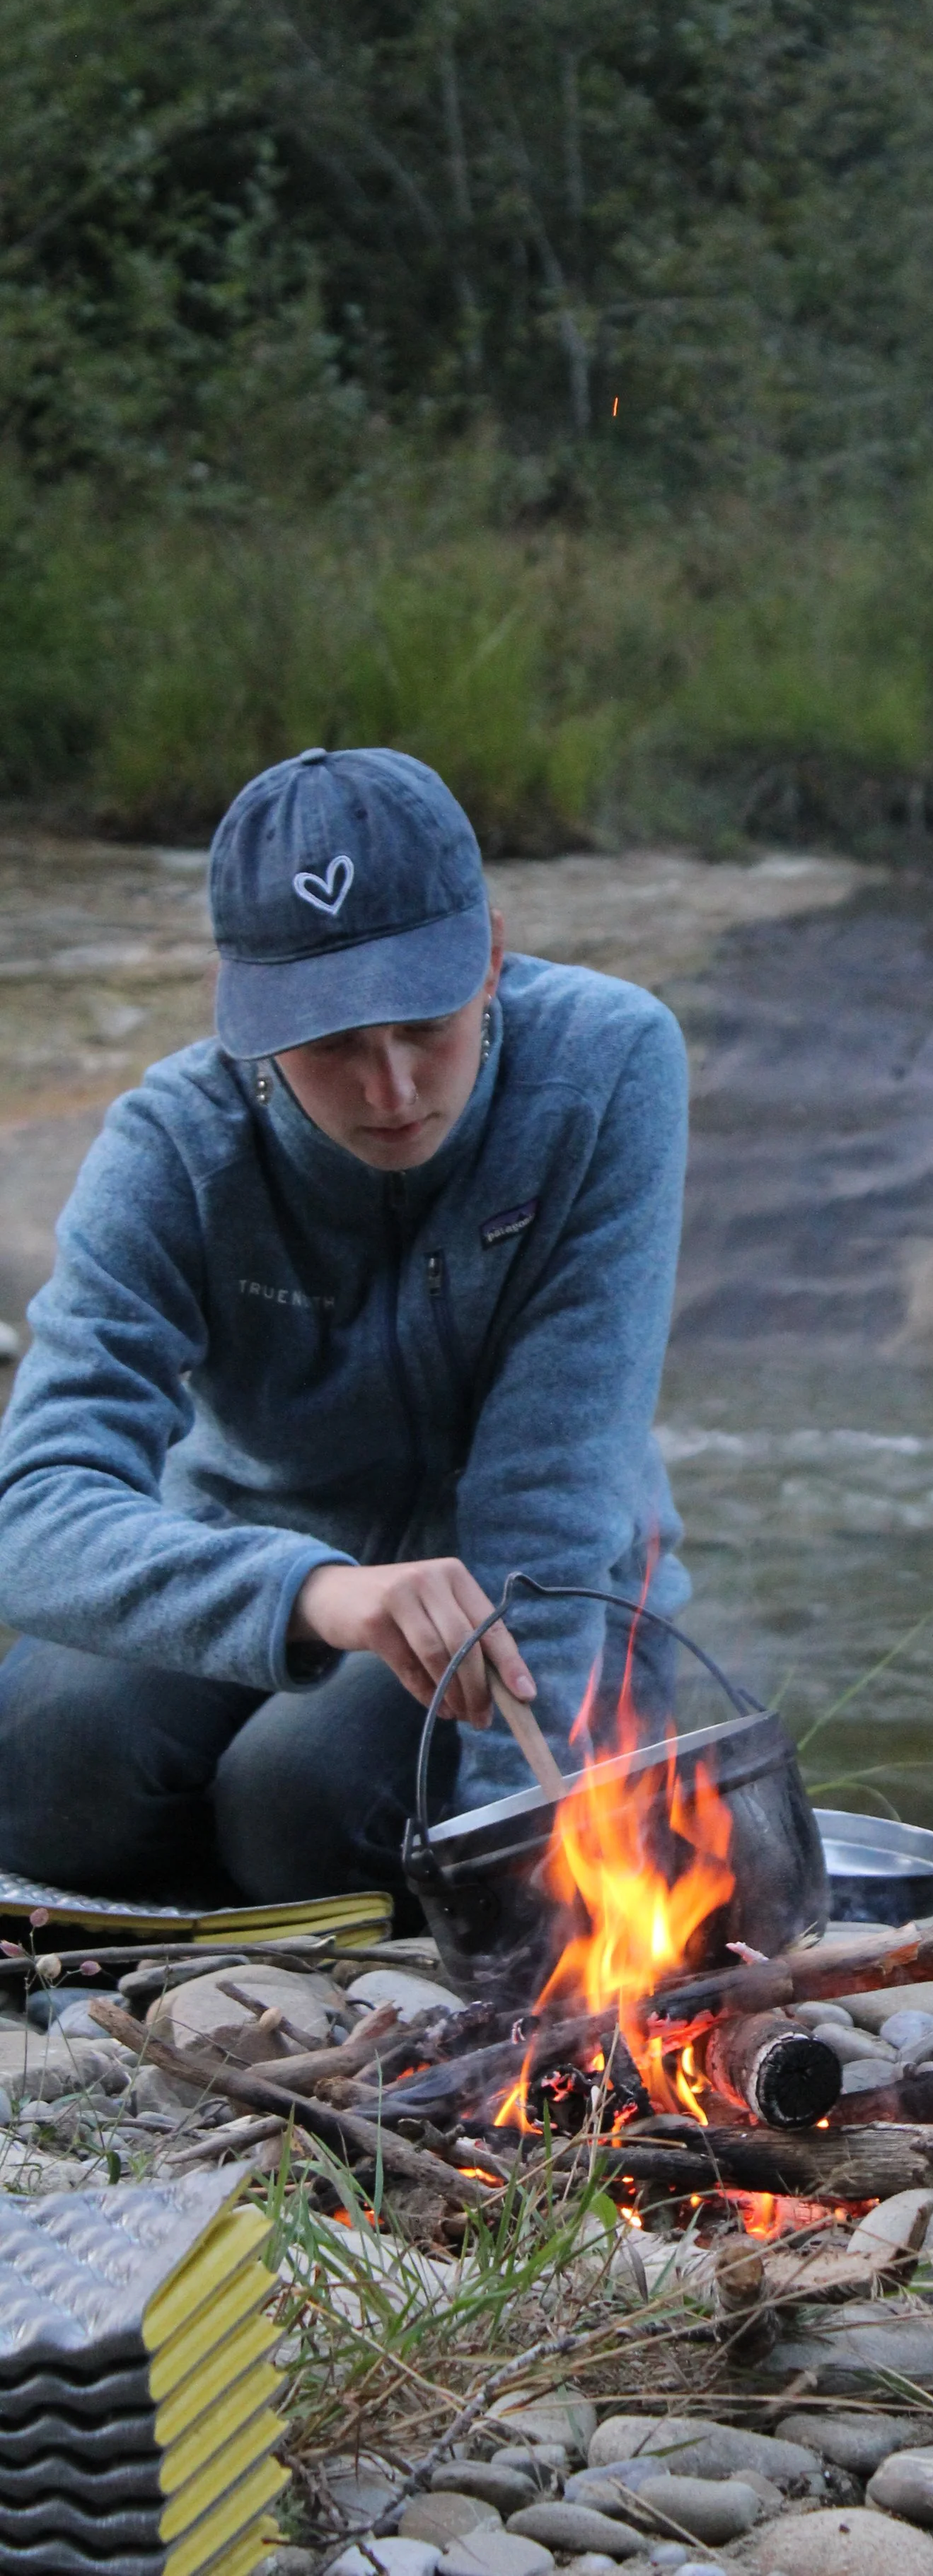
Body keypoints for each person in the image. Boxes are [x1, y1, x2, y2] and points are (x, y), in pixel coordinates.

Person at [0, 746, 689, 1913]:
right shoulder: (175, 1147)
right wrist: (313, 1591)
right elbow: (33, 1511)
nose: (393, 1089)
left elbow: (556, 1486)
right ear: (247, 1021)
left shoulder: (609, 1065)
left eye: (425, 1022)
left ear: (490, 954)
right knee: (44, 1761)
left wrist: (524, 1849)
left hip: (528, 1602)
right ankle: (242, 1932)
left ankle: (297, 1890)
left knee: (299, 1803)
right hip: (260, 1568)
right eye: (330, 1044)